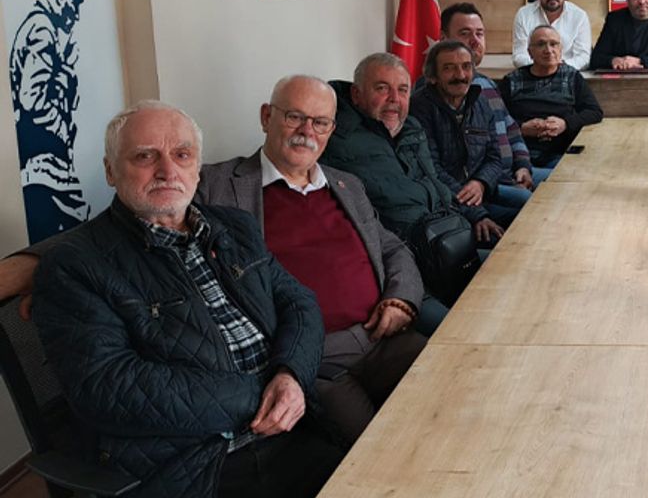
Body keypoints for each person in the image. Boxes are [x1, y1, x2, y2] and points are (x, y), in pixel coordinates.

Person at [31, 101, 341, 497]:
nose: (167, 171)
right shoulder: (75, 264)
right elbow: (109, 386)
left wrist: (292, 374)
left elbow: (299, 304)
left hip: (292, 427)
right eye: (145, 156)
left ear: (197, 168)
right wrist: (261, 394)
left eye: (182, 155)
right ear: (110, 171)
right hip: (195, 465)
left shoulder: (234, 227)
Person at [196, 75, 428, 445]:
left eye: (320, 123)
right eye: (294, 117)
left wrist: (401, 299)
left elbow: (392, 248)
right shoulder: (216, 184)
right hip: (307, 357)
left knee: (454, 387)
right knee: (376, 448)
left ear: (331, 130)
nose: (307, 132)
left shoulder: (346, 184)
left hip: (380, 337)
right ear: (266, 117)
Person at [322, 53, 501, 301]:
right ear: (356, 94)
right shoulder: (334, 139)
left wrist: (476, 214)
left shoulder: (411, 129)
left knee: (513, 270)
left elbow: (437, 184)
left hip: (446, 244)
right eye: (382, 88)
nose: (394, 99)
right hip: (405, 269)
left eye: (403, 90)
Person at [8, 0, 90, 242]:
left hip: (44, 163)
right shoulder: (42, 29)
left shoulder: (43, 27)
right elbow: (33, 100)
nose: (76, 13)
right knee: (79, 236)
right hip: (45, 164)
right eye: (74, 3)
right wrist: (62, 131)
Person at [410, 41, 528, 228]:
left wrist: (480, 182)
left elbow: (495, 157)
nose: (460, 75)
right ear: (432, 77)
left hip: (480, 189)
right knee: (519, 223)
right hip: (447, 199)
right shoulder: (419, 108)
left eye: (466, 67)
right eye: (449, 68)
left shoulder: (480, 101)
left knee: (530, 203)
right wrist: (478, 214)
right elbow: (431, 171)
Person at [438, 2, 544, 190]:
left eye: (479, 34)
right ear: (444, 38)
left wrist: (523, 166)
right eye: (465, 33)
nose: (475, 41)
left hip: (513, 172)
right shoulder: (442, 90)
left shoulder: (487, 84)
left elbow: (511, 130)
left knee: (570, 179)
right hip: (485, 184)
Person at [502, 25, 604, 168]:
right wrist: (521, 128)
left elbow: (594, 112)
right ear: (530, 52)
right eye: (541, 44)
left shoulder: (571, 77)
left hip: (561, 155)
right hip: (521, 155)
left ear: (561, 50)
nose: (548, 50)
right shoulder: (512, 81)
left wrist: (565, 124)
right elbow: (496, 119)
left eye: (554, 44)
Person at [513, 0, 592, 71]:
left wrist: (558, 67)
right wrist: (542, 67)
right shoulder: (524, 15)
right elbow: (519, 56)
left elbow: (584, 58)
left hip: (566, 74)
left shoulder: (579, 16)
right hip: (534, 74)